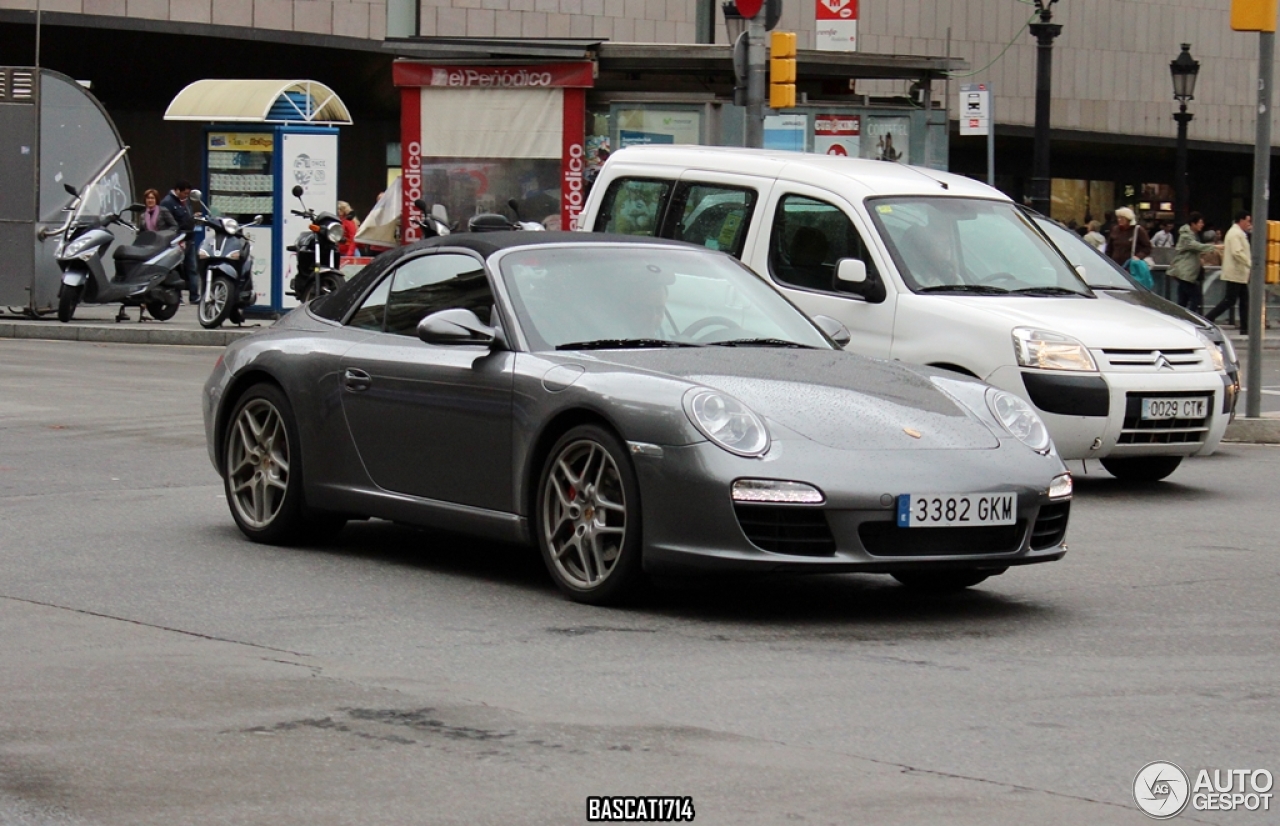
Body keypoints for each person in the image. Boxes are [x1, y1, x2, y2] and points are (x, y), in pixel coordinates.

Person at [1205, 210, 1253, 335]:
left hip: (1238, 273)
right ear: (1241, 220)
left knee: (1242, 300)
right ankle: (1208, 318)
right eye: (1248, 221)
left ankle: (1244, 328)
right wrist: (1249, 263)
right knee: (1230, 300)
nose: (1249, 223)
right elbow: (1237, 252)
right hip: (1235, 272)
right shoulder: (1235, 234)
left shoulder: (1237, 233)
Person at [1167, 212, 1219, 314]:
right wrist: (1215, 247)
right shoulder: (1186, 236)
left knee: (1183, 300)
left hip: (1186, 272)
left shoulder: (1193, 235)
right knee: (1195, 297)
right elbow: (1195, 246)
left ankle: (1180, 319)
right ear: (1193, 223)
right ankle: (1190, 319)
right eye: (1200, 222)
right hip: (1185, 272)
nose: (1202, 224)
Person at [160, 180, 198, 303]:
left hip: (189, 238)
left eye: (187, 194)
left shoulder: (185, 202)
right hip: (177, 240)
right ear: (177, 190)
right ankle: (177, 296)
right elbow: (168, 222)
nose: (185, 196)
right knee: (176, 268)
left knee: (192, 267)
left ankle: (194, 296)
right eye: (184, 194)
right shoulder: (168, 202)